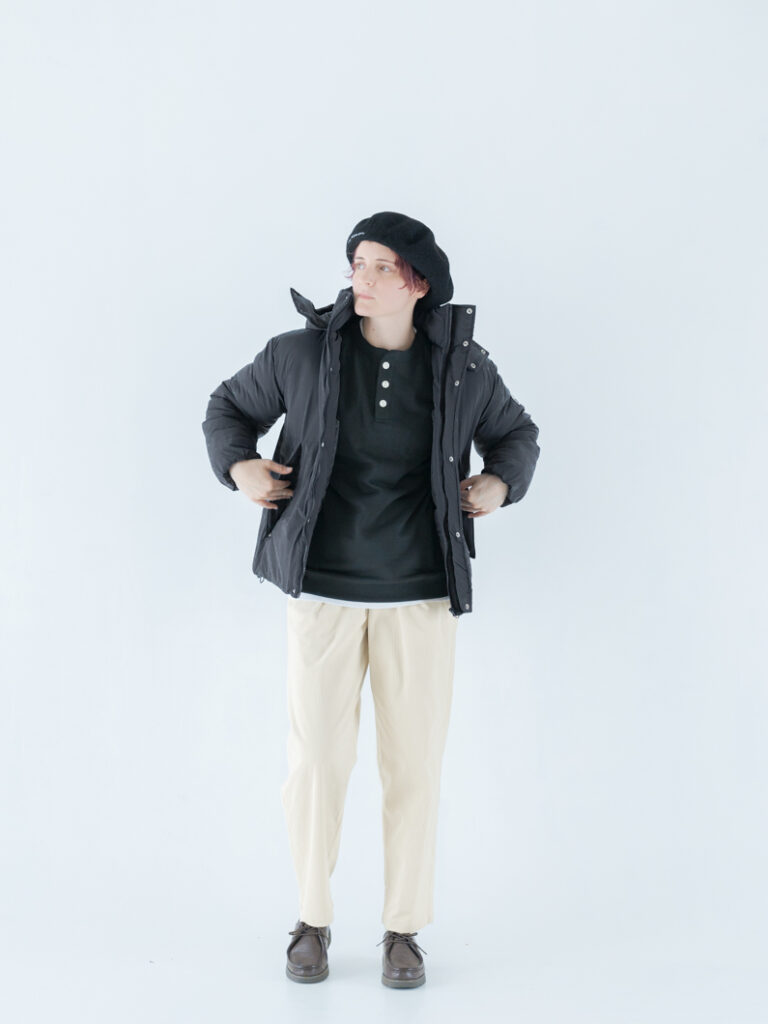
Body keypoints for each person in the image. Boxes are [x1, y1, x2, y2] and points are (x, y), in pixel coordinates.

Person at [202, 211, 541, 988]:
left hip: (419, 597)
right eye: (357, 262)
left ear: (418, 283)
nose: (361, 276)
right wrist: (240, 466)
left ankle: (402, 930)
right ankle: (311, 920)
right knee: (317, 763)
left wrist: (499, 481)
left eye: (381, 266)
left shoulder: (462, 368)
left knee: (413, 766)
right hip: (322, 591)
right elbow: (227, 409)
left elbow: (516, 433)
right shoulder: (299, 355)